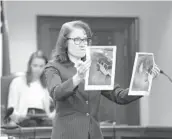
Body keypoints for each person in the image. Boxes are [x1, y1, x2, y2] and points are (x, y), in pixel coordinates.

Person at [43, 20, 160, 139]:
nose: (83, 44)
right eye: (77, 40)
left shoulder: (96, 65)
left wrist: (144, 81)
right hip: (67, 134)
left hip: (93, 134)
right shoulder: (54, 67)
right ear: (65, 42)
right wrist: (78, 77)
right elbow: (56, 93)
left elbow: (119, 96)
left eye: (85, 40)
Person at [8, 50, 55, 127]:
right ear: (30, 65)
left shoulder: (46, 84)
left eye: (41, 66)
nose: (38, 69)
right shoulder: (17, 82)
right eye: (35, 65)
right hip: (23, 119)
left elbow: (51, 112)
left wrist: (52, 115)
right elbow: (11, 109)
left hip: (42, 118)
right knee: (32, 124)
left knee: (52, 126)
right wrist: (19, 117)